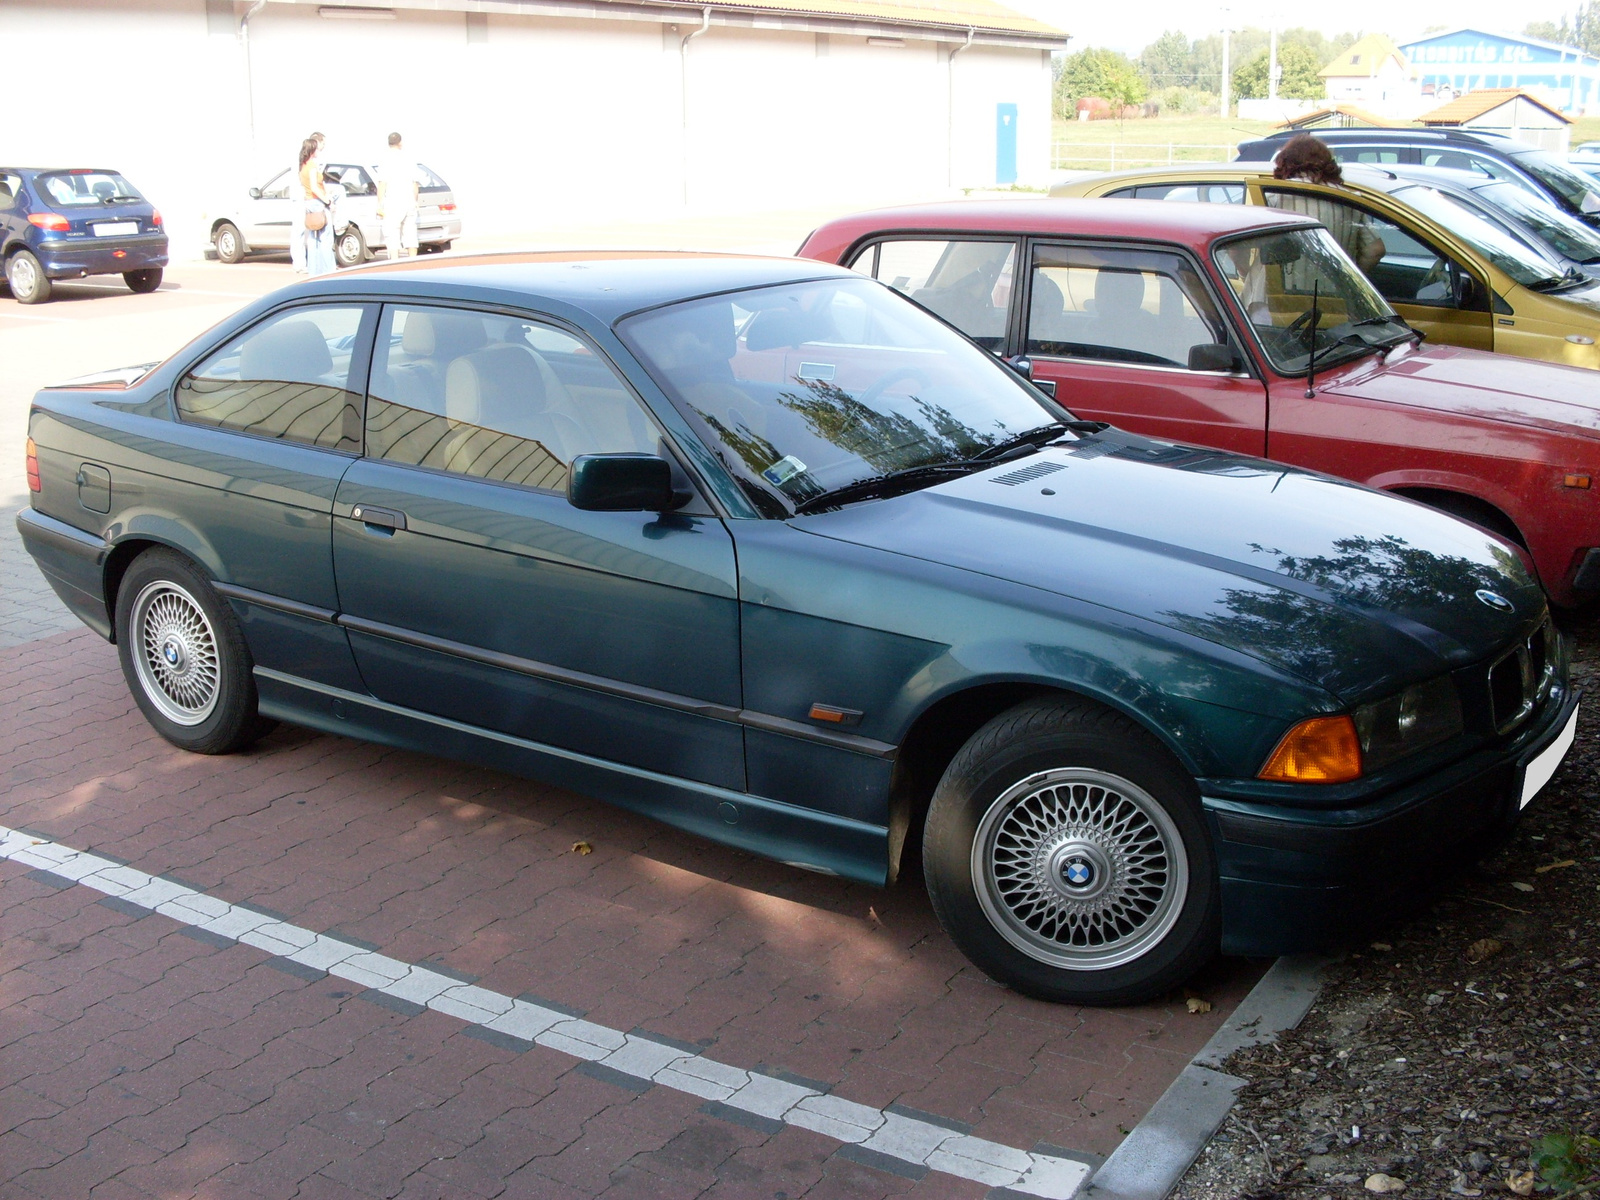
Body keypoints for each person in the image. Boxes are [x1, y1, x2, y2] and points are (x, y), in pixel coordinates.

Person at [1269, 134, 1386, 275]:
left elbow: (1241, 250)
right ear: (1328, 163)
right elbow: (1375, 250)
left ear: (1285, 161)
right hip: (1333, 293)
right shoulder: (1350, 199)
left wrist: (1247, 275)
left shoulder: (1273, 196)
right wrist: (1351, 281)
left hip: (1277, 294)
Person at [376, 132, 426, 261]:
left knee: (392, 232)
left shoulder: (385, 160)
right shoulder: (408, 159)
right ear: (400, 143)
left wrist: (380, 204)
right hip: (409, 200)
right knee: (410, 232)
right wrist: (415, 200)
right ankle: (413, 261)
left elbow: (382, 184)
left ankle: (395, 262)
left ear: (388, 143)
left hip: (393, 202)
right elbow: (415, 183)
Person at [299, 137, 335, 276]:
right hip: (317, 202)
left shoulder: (303, 166)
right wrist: (327, 200)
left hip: (308, 202)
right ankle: (329, 270)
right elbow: (315, 187)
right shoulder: (312, 166)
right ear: (312, 150)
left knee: (313, 238)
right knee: (326, 238)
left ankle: (314, 271)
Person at [290, 131, 325, 274]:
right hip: (302, 198)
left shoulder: (308, 161)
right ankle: (299, 263)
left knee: (307, 231)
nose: (322, 148)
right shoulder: (307, 163)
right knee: (300, 230)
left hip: (306, 197)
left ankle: (304, 263)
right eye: (322, 144)